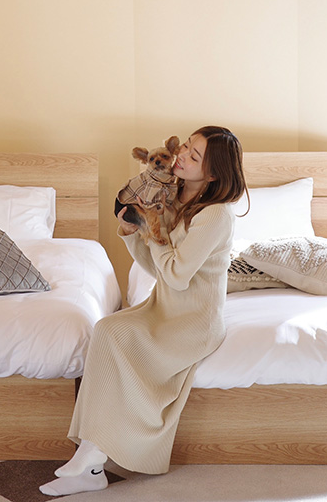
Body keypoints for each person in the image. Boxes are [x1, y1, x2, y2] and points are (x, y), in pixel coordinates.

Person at [39, 126, 247, 497]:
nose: (181, 156)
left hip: (193, 321)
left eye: (194, 156)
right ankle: (90, 454)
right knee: (106, 329)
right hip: (163, 307)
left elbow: (178, 276)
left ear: (213, 173)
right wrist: (133, 232)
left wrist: (150, 233)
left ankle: (92, 459)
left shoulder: (216, 216)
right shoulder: (175, 196)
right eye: (185, 146)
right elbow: (157, 270)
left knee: (119, 337)